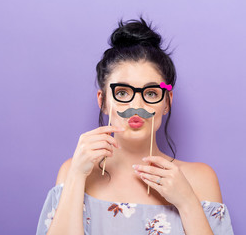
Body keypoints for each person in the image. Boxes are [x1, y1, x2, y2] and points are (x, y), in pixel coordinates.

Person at [36, 17, 234, 235]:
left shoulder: (200, 179)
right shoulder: (74, 171)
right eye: (122, 93)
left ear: (167, 102)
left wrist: (187, 202)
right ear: (102, 102)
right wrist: (75, 176)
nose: (136, 105)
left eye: (150, 93)